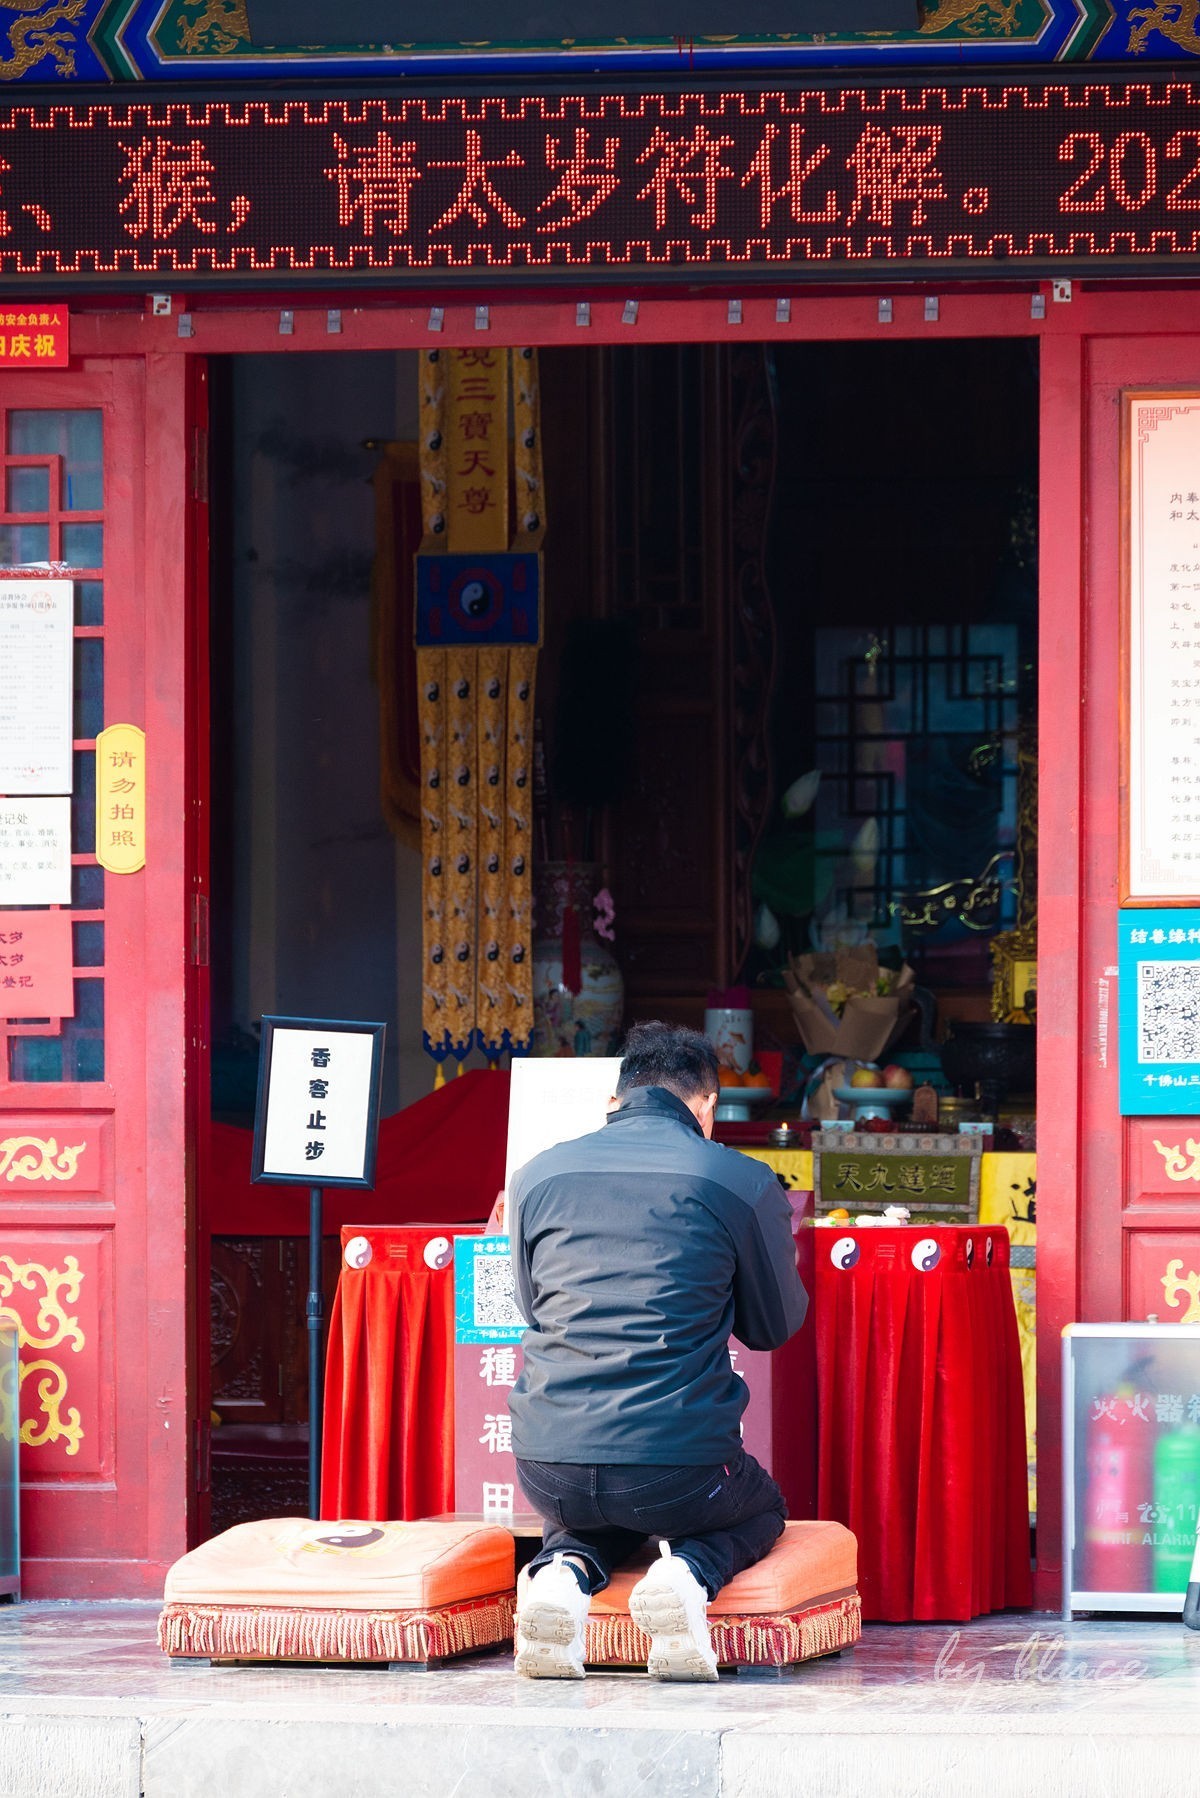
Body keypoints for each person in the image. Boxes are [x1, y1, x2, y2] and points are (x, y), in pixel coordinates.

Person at [507, 1020, 809, 1681]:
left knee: (598, 1508)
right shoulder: (737, 1179)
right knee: (761, 1507)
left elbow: (533, 1309)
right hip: (678, 1468)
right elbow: (773, 1327)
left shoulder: (535, 1174)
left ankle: (561, 1573)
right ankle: (688, 1576)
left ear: (614, 1101)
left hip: (546, 1468)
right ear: (707, 1106)